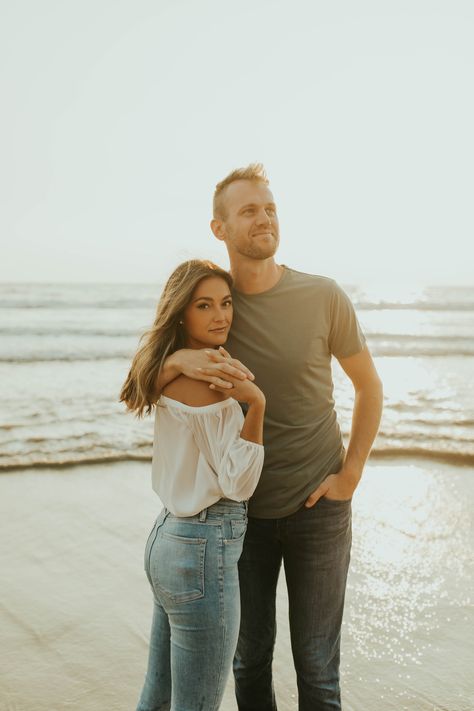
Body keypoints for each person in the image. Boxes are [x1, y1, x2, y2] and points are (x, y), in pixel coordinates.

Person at [155, 164, 384, 710]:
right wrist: (179, 359)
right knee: (249, 661)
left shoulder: (323, 295)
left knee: (318, 673)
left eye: (271, 207)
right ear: (220, 228)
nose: (265, 218)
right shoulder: (213, 304)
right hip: (242, 518)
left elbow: (369, 387)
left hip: (319, 511)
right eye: (249, 210)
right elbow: (144, 375)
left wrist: (349, 475)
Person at [120, 259, 266, 711]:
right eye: (204, 306)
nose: (220, 315)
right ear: (182, 312)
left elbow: (136, 386)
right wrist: (257, 405)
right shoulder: (216, 384)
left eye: (225, 303)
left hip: (165, 539)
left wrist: (177, 358)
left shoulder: (165, 370)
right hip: (204, 546)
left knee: (157, 695)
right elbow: (239, 483)